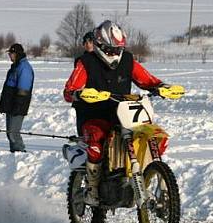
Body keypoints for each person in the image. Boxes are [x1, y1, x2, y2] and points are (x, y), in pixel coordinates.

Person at [63, 20, 170, 206]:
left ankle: (149, 175)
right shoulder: (86, 63)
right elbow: (69, 90)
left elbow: (147, 80)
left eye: (118, 50)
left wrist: (162, 87)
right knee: (98, 137)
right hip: (93, 115)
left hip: (122, 113)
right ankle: (92, 189)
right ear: (99, 46)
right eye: (111, 50)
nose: (115, 54)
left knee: (149, 133)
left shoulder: (127, 60)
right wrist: (78, 93)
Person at [0, 43, 34, 153]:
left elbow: (23, 90)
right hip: (11, 104)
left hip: (17, 105)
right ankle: (13, 153)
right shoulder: (16, 66)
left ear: (17, 54)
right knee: (9, 133)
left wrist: (17, 106)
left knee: (14, 132)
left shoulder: (24, 67)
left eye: (11, 53)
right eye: (9, 53)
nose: (10, 55)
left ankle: (20, 153)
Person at [71, 31, 96, 135]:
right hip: (82, 100)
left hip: (97, 99)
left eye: (90, 41)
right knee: (82, 129)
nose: (88, 44)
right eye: (85, 42)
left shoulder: (102, 60)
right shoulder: (80, 60)